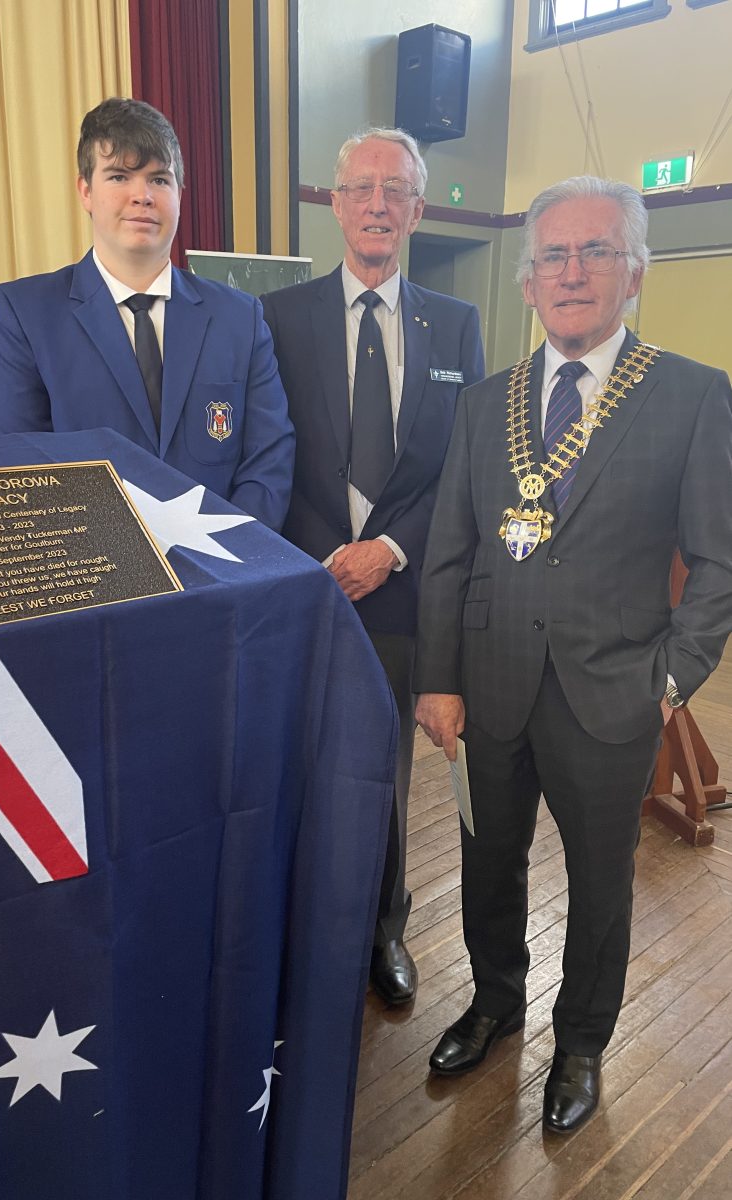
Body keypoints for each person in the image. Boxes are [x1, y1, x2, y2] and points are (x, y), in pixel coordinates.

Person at [414, 175, 732, 1131]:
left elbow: (719, 564)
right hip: (490, 688)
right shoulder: (486, 404)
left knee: (599, 887)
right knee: (487, 862)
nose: (573, 271)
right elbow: (450, 552)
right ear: (527, 283)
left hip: (612, 698)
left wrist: (670, 681)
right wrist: (436, 680)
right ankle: (495, 1003)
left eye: (596, 251)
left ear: (634, 273)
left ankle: (583, 1038)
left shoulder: (692, 395)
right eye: (553, 254)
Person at [262, 128, 485, 1005]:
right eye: (362, 188)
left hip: (401, 594)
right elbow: (269, 458)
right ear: (335, 203)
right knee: (300, 767)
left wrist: (388, 551)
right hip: (304, 589)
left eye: (397, 190)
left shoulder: (457, 325)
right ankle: (303, 924)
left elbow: (461, 472)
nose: (379, 205)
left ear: (419, 210)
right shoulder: (274, 319)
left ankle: (383, 929)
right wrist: (323, 559)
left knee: (385, 778)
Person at [0, 98, 294, 531]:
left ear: (180, 195)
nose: (142, 196)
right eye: (119, 176)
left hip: (226, 577)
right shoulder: (26, 316)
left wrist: (234, 555)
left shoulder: (240, 318)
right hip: (90, 581)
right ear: (86, 191)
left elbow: (269, 459)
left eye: (159, 179)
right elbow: (12, 469)